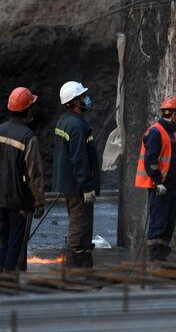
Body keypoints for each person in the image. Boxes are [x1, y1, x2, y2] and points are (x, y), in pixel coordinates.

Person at [0, 87, 44, 273]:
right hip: (20, 197)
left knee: (4, 236)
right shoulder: (28, 137)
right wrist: (39, 200)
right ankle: (11, 278)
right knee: (16, 240)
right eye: (31, 107)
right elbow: (34, 173)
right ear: (26, 110)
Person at [135, 96, 176, 262]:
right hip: (160, 189)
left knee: (169, 224)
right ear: (173, 115)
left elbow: (173, 164)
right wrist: (158, 182)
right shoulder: (156, 132)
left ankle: (162, 256)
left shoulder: (169, 134)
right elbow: (150, 161)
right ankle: (155, 258)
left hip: (171, 189)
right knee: (158, 223)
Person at [53, 81, 100, 268]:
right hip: (78, 186)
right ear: (74, 102)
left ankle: (82, 260)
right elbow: (79, 158)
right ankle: (76, 266)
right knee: (80, 225)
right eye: (82, 97)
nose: (85, 99)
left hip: (68, 183)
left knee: (79, 222)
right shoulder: (77, 125)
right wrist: (86, 186)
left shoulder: (64, 121)